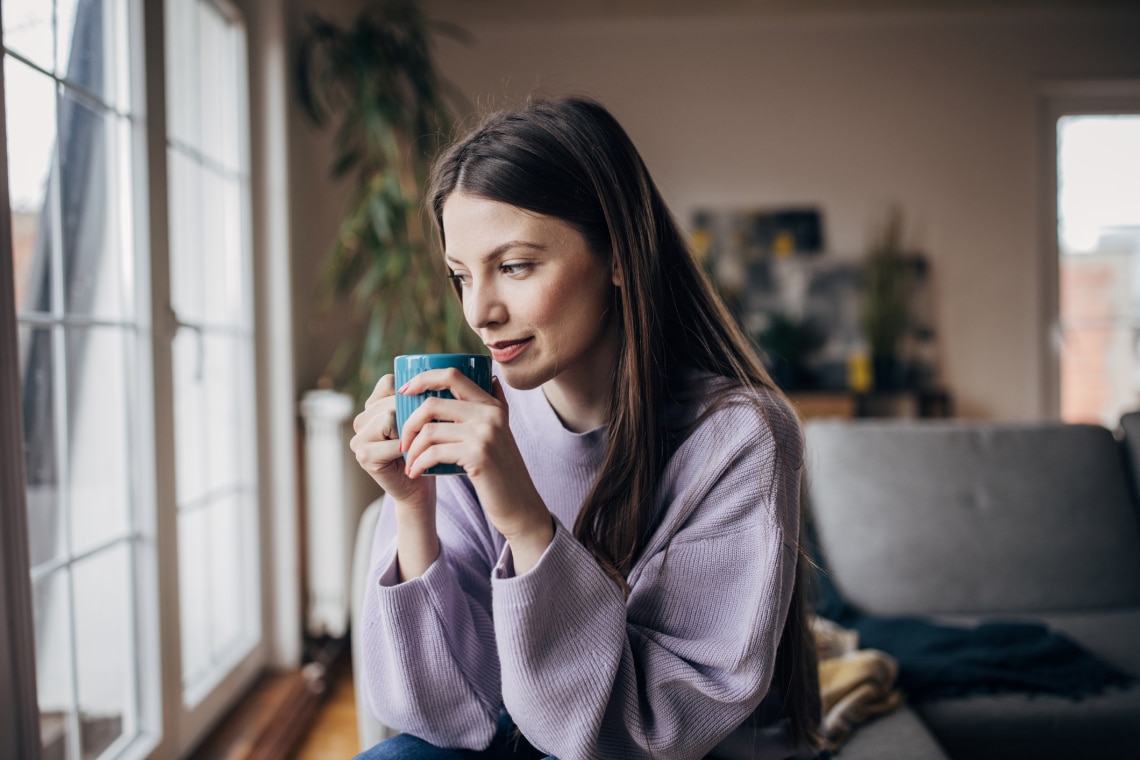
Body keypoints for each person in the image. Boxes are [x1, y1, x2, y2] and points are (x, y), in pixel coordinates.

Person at [350, 96, 822, 760]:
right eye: (461, 275)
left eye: (514, 266)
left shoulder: (738, 437)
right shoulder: (474, 421)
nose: (480, 311)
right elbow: (445, 720)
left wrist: (526, 524)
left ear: (620, 257)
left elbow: (652, 732)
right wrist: (412, 508)